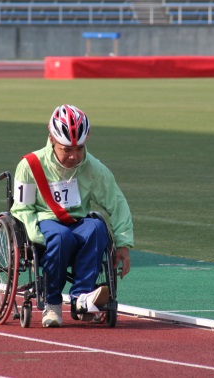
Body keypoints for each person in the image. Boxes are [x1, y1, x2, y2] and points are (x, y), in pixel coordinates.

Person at [10, 104, 134, 328]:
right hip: (44, 220)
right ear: (51, 139)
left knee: (97, 229)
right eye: (66, 149)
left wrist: (123, 244)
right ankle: (53, 303)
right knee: (60, 237)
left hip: (78, 220)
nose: (74, 156)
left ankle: (82, 299)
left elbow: (117, 203)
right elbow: (22, 209)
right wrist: (34, 234)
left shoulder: (94, 168)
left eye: (79, 148)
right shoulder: (29, 165)